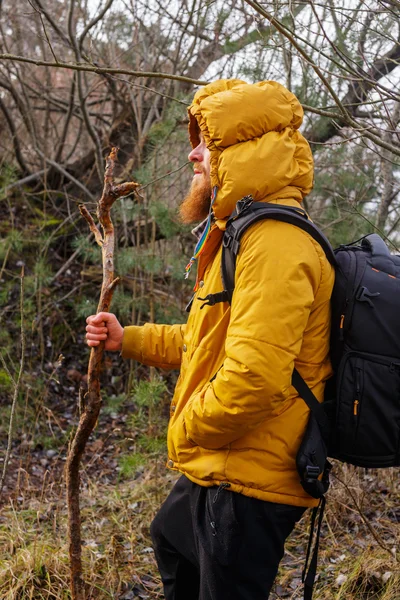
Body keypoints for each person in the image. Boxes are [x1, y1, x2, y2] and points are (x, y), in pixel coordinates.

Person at [86, 79, 335, 600]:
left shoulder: (276, 243)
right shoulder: (245, 231)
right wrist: (126, 338)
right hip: (227, 461)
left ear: (242, 153)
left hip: (248, 475)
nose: (194, 154)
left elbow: (254, 378)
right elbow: (206, 342)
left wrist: (187, 428)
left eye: (207, 144)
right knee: (171, 538)